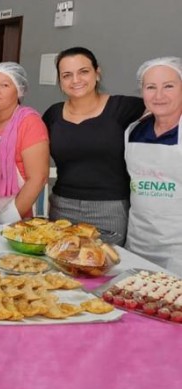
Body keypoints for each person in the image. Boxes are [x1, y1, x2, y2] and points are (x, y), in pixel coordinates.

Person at [43, 47, 144, 245]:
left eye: (83, 71)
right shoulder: (53, 115)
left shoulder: (124, 108)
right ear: (60, 81)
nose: (76, 80)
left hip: (109, 210)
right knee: (60, 270)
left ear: (97, 73)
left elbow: (167, 107)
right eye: (67, 75)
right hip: (62, 208)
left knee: (104, 271)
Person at [125, 57, 182, 274]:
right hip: (138, 243)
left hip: (177, 250)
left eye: (168, 86)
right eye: (151, 87)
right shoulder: (133, 131)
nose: (159, 96)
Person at [0, 62, 49, 224]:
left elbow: (38, 178)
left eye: (5, 85)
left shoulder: (29, 122)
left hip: (13, 215)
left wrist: (7, 219)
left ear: (19, 90)